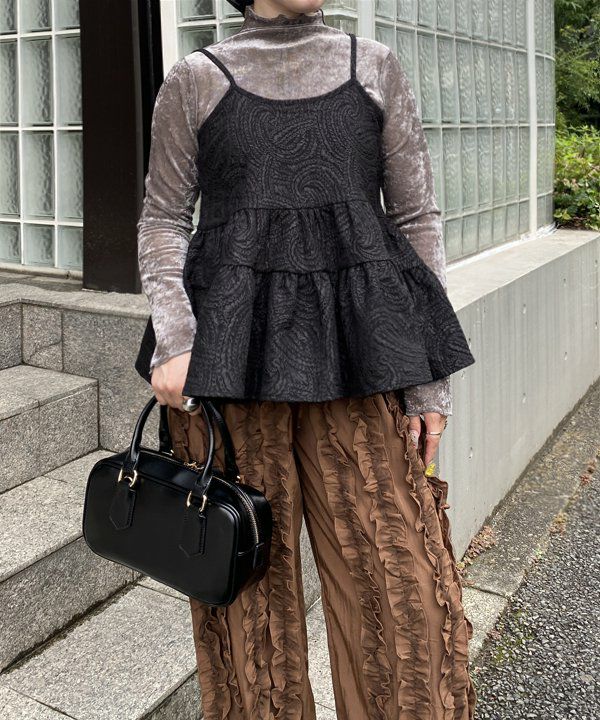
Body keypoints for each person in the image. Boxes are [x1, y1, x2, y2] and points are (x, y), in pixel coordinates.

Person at [134, 1, 478, 718]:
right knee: (248, 606)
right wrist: (175, 339)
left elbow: (416, 219)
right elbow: (163, 218)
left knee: (402, 593)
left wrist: (429, 385)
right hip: (228, 368)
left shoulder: (374, 65)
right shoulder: (196, 78)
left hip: (361, 357)